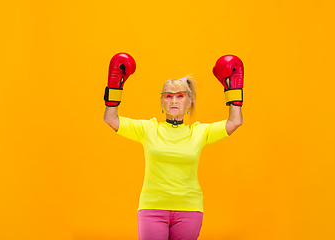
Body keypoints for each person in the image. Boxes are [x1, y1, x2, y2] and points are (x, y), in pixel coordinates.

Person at [103, 53, 244, 240]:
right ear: (162, 102)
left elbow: (235, 122)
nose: (174, 100)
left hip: (189, 208)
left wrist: (233, 91)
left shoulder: (199, 132)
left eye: (180, 96)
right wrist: (115, 85)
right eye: (168, 96)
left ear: (189, 102)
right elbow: (110, 119)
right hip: (152, 208)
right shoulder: (149, 129)